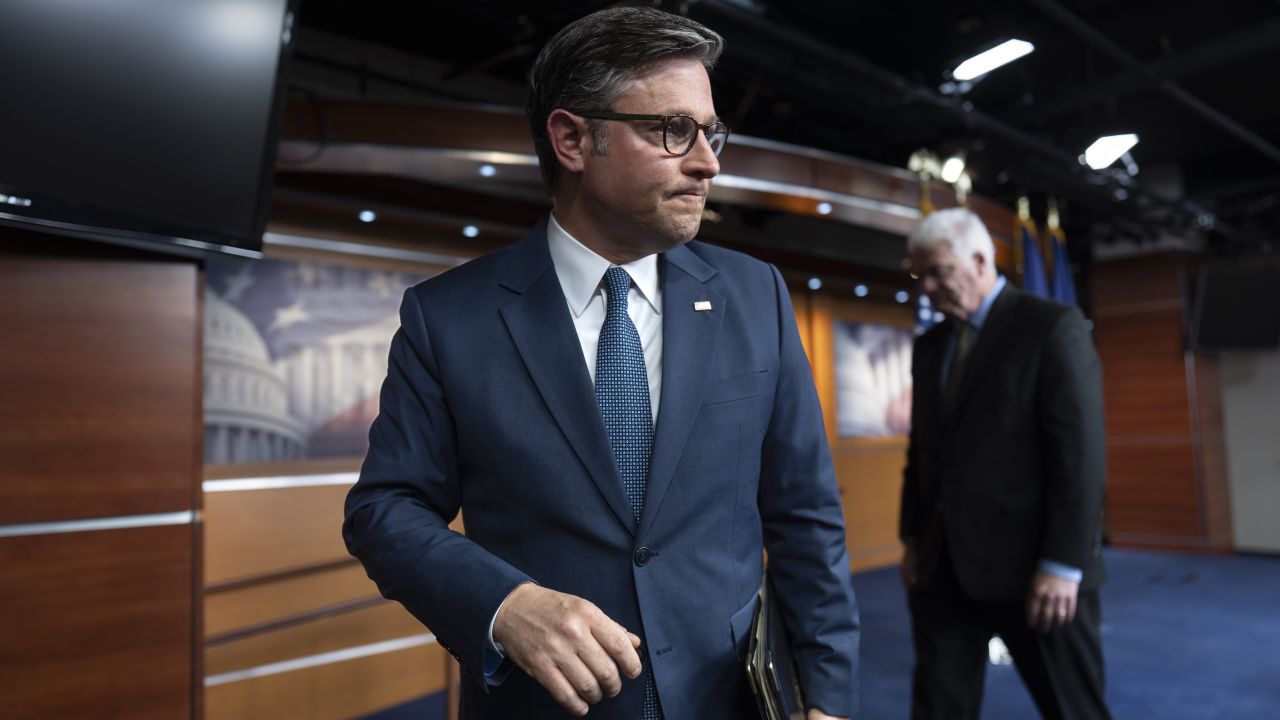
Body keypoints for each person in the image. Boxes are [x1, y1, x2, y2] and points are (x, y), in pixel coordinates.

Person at [342, 7, 859, 719]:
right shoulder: (449, 318)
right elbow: (384, 509)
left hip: (731, 700)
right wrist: (504, 605)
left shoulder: (754, 295)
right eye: (673, 130)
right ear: (572, 139)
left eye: (712, 134)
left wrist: (827, 698)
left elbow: (805, 516)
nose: (707, 161)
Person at [899, 207, 1111, 720]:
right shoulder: (930, 346)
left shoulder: (1051, 328)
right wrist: (912, 539)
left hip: (1037, 574)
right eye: (918, 273)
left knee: (1072, 708)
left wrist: (1063, 564)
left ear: (978, 259)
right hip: (943, 568)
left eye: (938, 272)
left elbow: (1079, 458)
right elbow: (923, 450)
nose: (925, 287)